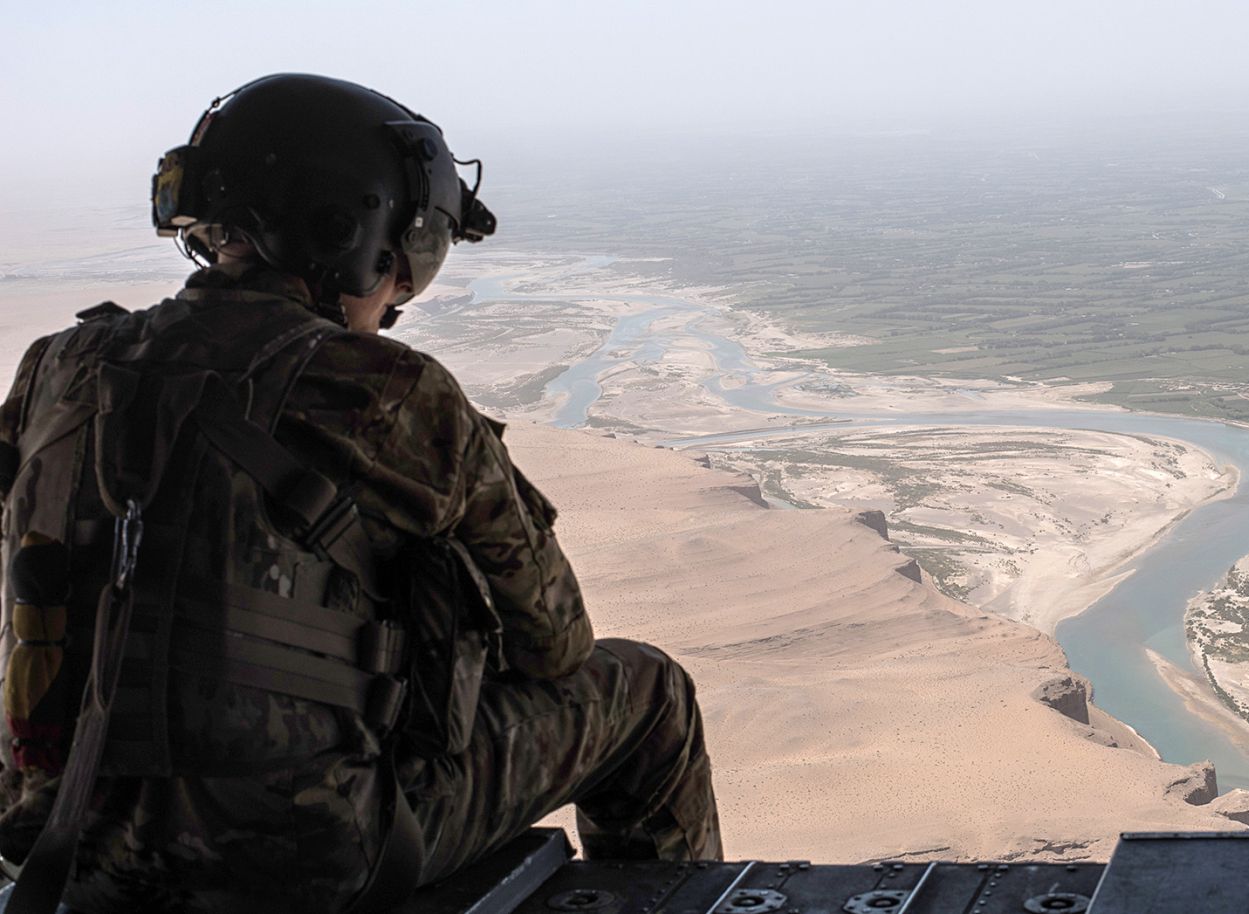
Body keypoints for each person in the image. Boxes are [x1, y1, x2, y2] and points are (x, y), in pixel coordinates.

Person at [0, 73, 720, 914]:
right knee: (646, 690)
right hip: (300, 863)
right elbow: (555, 645)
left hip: (59, 844)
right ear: (361, 235)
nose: (400, 295)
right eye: (410, 258)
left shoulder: (59, 364)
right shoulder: (392, 393)